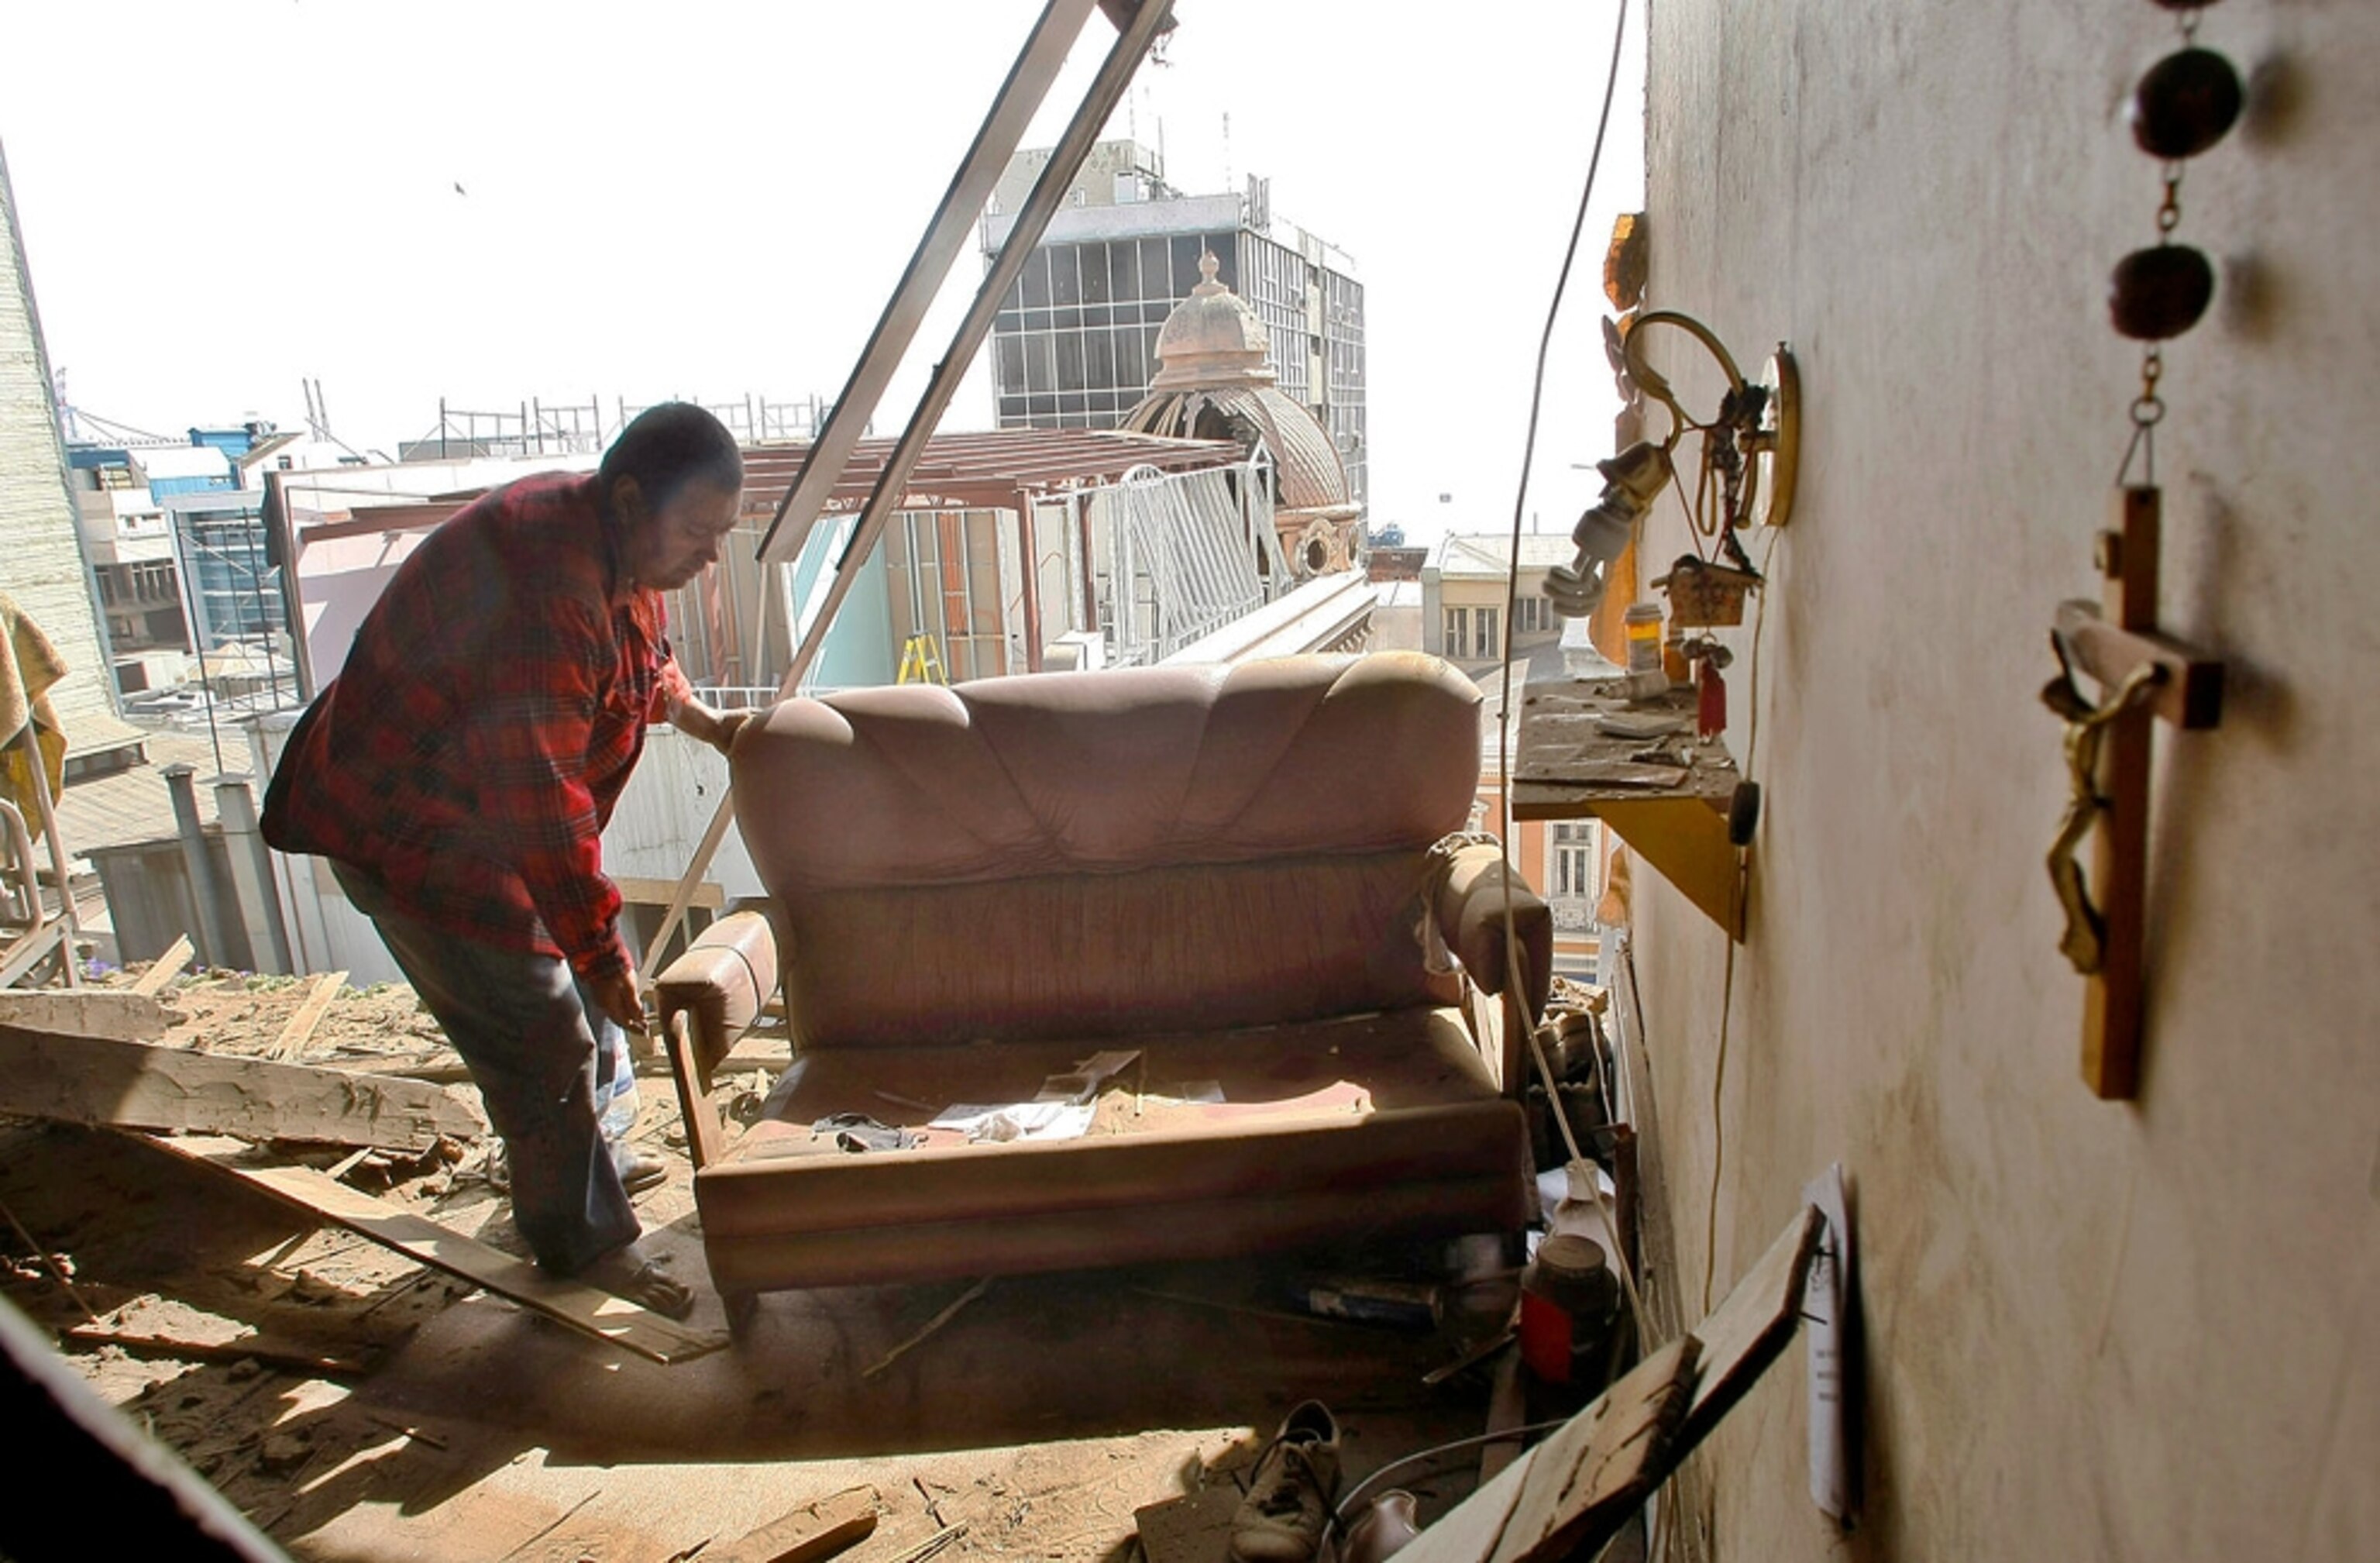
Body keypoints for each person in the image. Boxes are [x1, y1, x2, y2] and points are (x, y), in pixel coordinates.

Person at [263, 403, 751, 1318]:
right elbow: (541, 806)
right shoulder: (545, 587)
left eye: (722, 535)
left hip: (483, 813)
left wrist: (711, 726)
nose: (710, 557)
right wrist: (604, 957)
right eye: (698, 532)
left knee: (585, 978)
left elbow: (641, 659)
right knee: (543, 1034)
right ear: (632, 496)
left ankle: (593, 1151)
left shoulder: (615, 547)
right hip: (413, 834)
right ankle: (579, 1243)